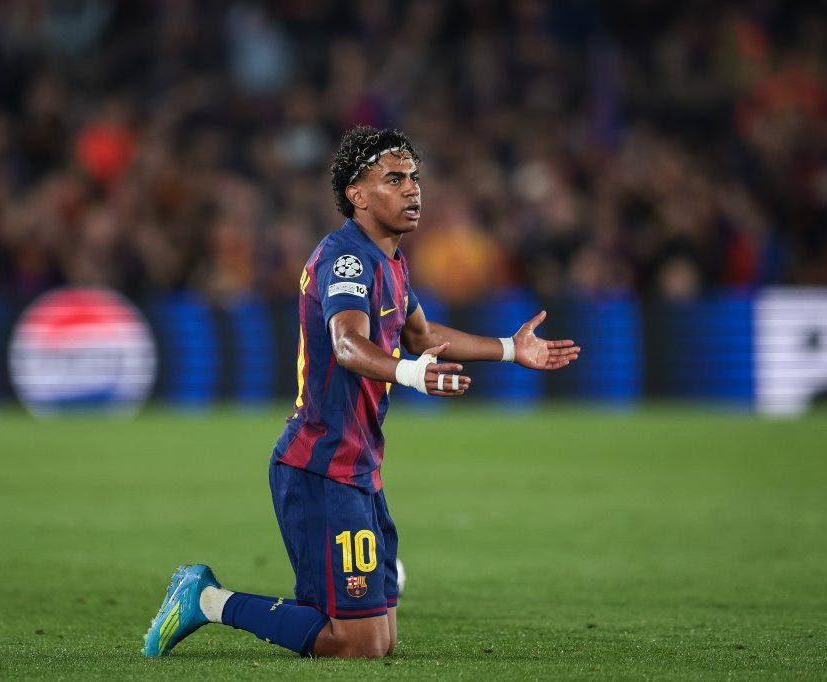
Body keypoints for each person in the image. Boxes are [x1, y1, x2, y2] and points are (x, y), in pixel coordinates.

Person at [142, 126, 581, 659]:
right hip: (320, 465)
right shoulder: (346, 259)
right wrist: (413, 375)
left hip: (357, 464)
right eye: (394, 180)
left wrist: (510, 348)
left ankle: (250, 602)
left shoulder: (390, 261)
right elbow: (348, 344)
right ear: (357, 195)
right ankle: (207, 600)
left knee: (380, 639)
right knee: (357, 643)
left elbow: (420, 335)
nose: (413, 189)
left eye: (414, 178)